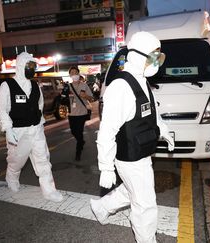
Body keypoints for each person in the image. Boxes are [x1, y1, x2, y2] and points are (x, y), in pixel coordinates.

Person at [90, 31, 175, 243]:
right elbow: (107, 131)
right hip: (129, 156)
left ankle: (101, 207)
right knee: (145, 203)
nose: (157, 62)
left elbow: (151, 112)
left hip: (142, 151)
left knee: (133, 191)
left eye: (159, 56)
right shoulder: (120, 88)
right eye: (153, 56)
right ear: (138, 56)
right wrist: (106, 167)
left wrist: (163, 130)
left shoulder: (143, 81)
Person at [0, 52, 63, 202]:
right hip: (18, 131)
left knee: (43, 159)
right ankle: (12, 176)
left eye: (33, 66)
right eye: (29, 65)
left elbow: (39, 104)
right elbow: (1, 109)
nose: (32, 69)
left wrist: (39, 122)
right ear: (21, 66)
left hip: (36, 129)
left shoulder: (34, 85)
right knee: (17, 159)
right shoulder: (7, 85)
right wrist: (8, 129)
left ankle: (49, 190)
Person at [65, 66, 93, 161]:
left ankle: (78, 152)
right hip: (71, 114)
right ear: (70, 75)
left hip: (82, 113)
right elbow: (63, 99)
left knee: (79, 132)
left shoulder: (84, 85)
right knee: (73, 131)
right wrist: (64, 95)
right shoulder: (67, 86)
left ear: (78, 74)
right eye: (72, 73)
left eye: (75, 72)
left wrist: (85, 96)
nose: (74, 74)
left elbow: (91, 98)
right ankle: (81, 142)